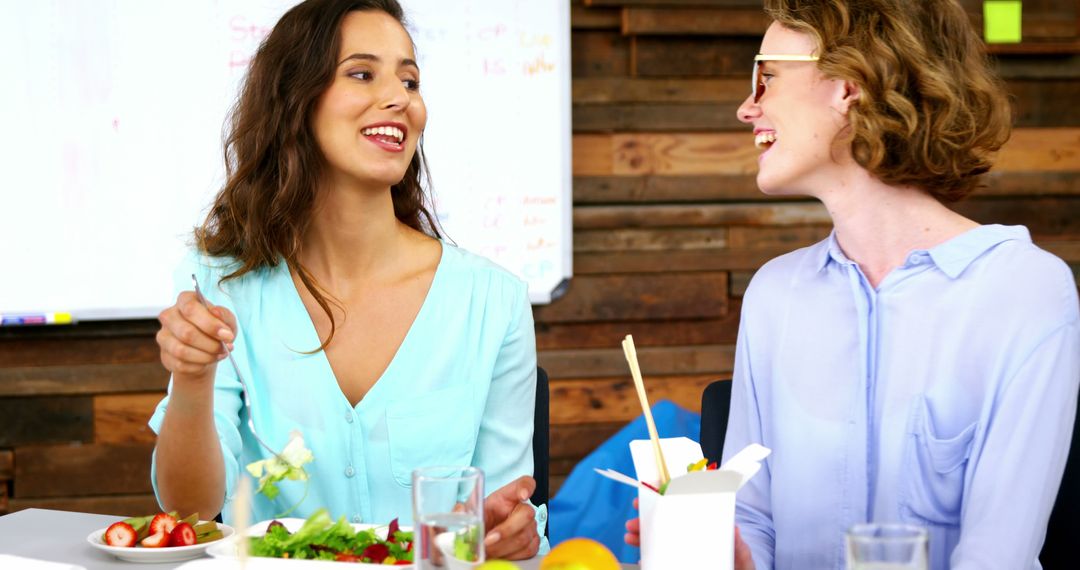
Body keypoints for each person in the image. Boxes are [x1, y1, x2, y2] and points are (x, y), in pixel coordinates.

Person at [626, 0, 1079, 568]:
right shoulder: (775, 295)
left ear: (848, 85)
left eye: (765, 77)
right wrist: (727, 553)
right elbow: (755, 522)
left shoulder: (1024, 289)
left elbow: (998, 557)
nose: (747, 108)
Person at [150, 0, 542, 560]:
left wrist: (513, 532)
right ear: (296, 102)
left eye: (410, 80)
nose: (399, 98)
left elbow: (503, 519)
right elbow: (187, 509)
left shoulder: (492, 301)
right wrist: (191, 379)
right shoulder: (224, 284)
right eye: (363, 73)